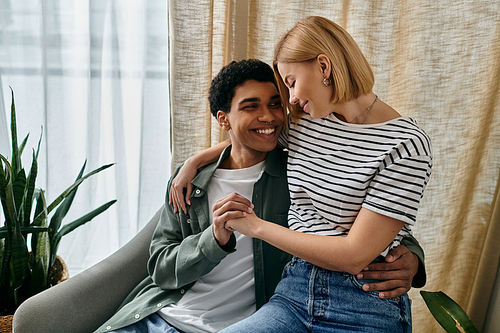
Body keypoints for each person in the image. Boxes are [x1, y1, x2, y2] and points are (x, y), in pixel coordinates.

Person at [99, 59, 425, 333]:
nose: (268, 117)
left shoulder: (296, 172)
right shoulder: (190, 183)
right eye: (251, 106)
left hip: (250, 320)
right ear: (223, 118)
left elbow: (355, 215)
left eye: (274, 104)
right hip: (157, 317)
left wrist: (410, 256)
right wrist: (213, 237)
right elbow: (161, 268)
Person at [172, 17, 432, 333]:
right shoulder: (306, 122)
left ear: (324, 66)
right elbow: (252, 134)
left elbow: (354, 256)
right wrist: (195, 161)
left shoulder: (406, 144)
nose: (291, 98)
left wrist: (255, 227)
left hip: (363, 303)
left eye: (292, 82)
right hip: (293, 293)